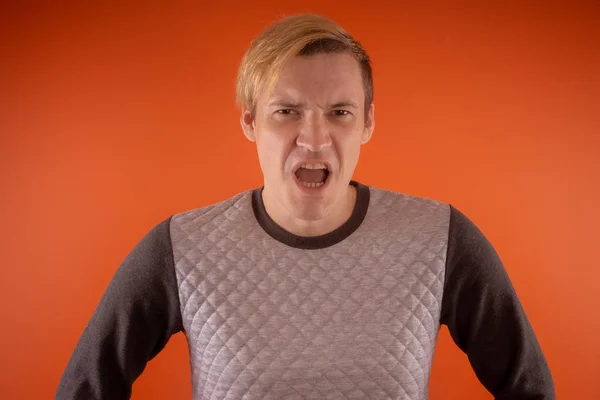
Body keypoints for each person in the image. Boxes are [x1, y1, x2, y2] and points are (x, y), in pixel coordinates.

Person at [56, 14, 555, 400]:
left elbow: (529, 389)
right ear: (250, 122)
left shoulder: (442, 239)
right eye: (286, 112)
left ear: (367, 123)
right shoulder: (180, 247)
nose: (314, 139)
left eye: (339, 112)